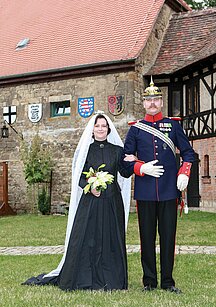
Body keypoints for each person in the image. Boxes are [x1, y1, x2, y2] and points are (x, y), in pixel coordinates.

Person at [23, 112, 131, 291]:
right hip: (91, 202)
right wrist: (90, 185)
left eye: (104, 126)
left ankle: (111, 279)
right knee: (87, 238)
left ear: (108, 129)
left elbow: (125, 173)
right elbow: (79, 177)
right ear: (92, 129)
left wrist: (133, 163)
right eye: (97, 126)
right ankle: (84, 278)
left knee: (111, 239)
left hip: (112, 202)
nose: (101, 129)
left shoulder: (117, 150)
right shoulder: (85, 151)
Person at [122, 78, 195, 294]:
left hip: (168, 191)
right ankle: (149, 282)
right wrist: (140, 168)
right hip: (145, 192)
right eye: (148, 100)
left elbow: (188, 153)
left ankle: (168, 282)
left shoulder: (173, 126)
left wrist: (184, 172)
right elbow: (125, 162)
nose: (152, 103)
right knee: (146, 238)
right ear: (143, 104)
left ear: (161, 102)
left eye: (156, 99)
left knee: (168, 237)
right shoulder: (136, 130)